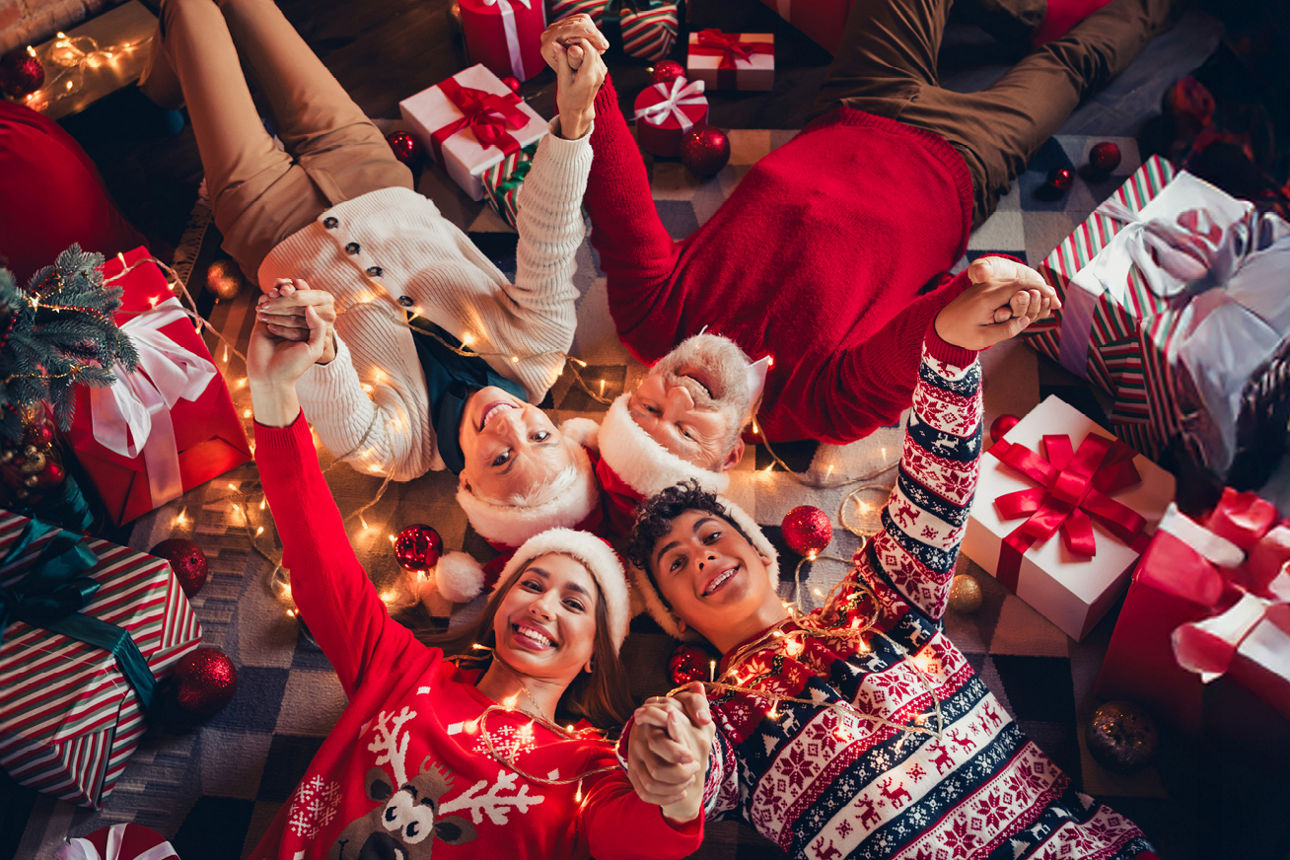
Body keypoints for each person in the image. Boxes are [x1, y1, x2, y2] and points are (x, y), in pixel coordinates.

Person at [542, 0, 1178, 523]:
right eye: (684, 431)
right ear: (730, 453)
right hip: (960, 162)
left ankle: (1012, 12)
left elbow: (619, 203)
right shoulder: (819, 407)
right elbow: (914, 349)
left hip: (854, 106)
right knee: (1074, 64)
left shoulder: (652, 319)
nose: (676, 395)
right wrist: (973, 296)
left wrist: (585, 98)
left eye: (648, 408)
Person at [617, 285, 1164, 858]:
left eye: (711, 536)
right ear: (673, 612)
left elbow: (934, 493)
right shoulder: (723, 721)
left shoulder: (879, 599)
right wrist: (666, 765)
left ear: (760, 551)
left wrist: (948, 353)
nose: (702, 556)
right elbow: (682, 777)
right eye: (676, 562)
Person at [140, 0, 609, 591]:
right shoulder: (539, 347)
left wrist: (318, 340)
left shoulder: (396, 449)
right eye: (540, 435)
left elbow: (329, 388)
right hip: (370, 173)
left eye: (500, 459)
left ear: (468, 488)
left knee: (190, 9)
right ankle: (162, 83)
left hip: (269, 221)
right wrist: (571, 120)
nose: (508, 424)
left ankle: (166, 74)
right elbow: (551, 232)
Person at [244, 313, 713, 858]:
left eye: (574, 602)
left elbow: (639, 838)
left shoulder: (588, 769)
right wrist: (274, 390)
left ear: (594, 654)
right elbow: (317, 557)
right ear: (498, 607)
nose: (542, 606)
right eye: (531, 584)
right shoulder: (402, 671)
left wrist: (676, 794)